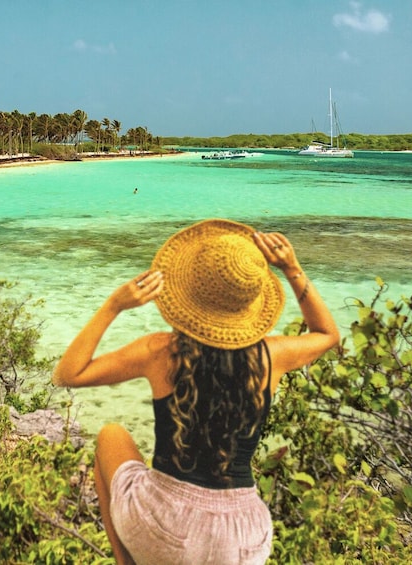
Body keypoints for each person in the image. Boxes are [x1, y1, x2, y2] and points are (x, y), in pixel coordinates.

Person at [53, 218, 339, 564]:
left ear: (187, 293)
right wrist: (292, 268)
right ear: (250, 302)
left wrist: (114, 305)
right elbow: (327, 334)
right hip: (242, 540)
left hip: (163, 528)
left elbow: (69, 374)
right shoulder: (272, 355)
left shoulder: (161, 351)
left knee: (111, 436)